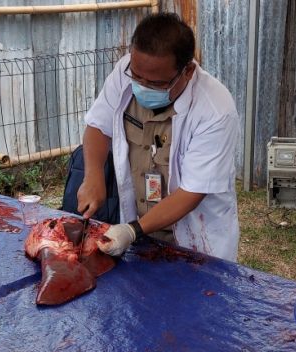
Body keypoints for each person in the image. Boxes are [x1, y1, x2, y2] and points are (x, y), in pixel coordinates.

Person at [77, 12, 240, 262]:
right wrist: (93, 176)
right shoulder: (125, 71)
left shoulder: (215, 110)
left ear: (187, 71)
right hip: (139, 229)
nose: (141, 85)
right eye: (137, 76)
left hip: (195, 239)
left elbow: (191, 192)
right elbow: (98, 126)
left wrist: (132, 231)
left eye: (156, 83)